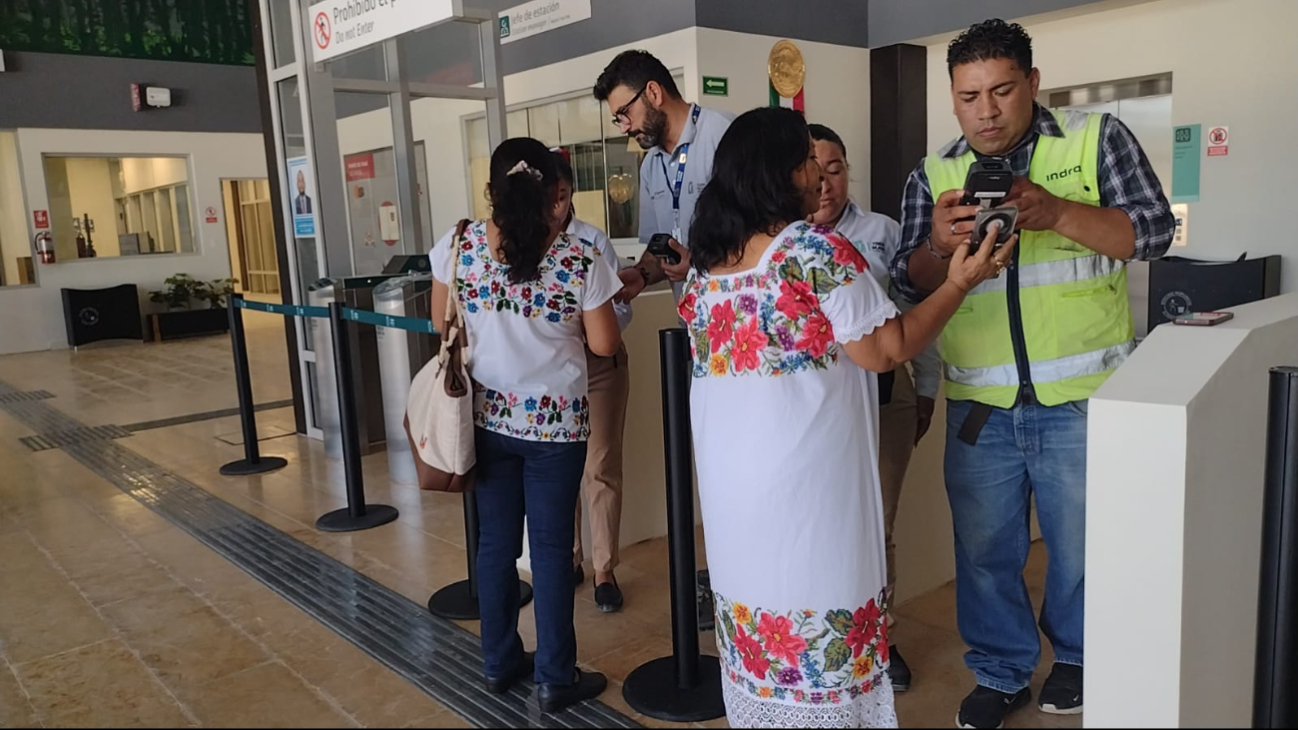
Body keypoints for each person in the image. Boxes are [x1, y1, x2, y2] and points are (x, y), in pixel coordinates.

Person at [681, 106, 1015, 729]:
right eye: (808, 159)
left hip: (735, 490)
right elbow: (887, 347)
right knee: (821, 612)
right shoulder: (811, 250)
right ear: (783, 172)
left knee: (760, 619)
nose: (818, 173)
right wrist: (961, 281)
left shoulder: (710, 263)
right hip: (809, 487)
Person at [890, 19, 1175, 730]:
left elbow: (1154, 231)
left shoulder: (1093, 138)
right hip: (981, 405)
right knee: (985, 552)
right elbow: (907, 279)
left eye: (1001, 90)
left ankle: (1077, 657)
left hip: (1084, 398)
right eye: (967, 96)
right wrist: (938, 241)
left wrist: (1055, 211)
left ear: (1033, 84)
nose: (985, 111)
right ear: (951, 99)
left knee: (1081, 549)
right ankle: (1000, 671)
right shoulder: (933, 175)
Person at [428, 137, 624, 713]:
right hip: (556, 431)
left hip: (486, 420)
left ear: (490, 191)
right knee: (551, 549)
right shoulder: (578, 258)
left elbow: (438, 319)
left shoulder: (460, 245)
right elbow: (604, 343)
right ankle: (555, 677)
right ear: (552, 195)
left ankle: (497, 662)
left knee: (494, 545)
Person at [807, 123, 943, 694]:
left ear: (846, 170)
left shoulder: (884, 233)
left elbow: (915, 314)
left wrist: (928, 385)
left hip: (887, 397)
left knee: (877, 523)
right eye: (813, 172)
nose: (825, 183)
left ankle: (878, 639)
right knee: (824, 525)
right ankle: (823, 637)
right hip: (819, 411)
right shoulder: (784, 243)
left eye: (835, 168)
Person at [550, 150, 634, 613]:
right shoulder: (531, 242)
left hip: (600, 368)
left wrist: (591, 323)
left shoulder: (593, 242)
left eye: (563, 197)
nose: (556, 207)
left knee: (598, 465)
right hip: (553, 371)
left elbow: (622, 309)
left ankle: (605, 568)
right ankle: (571, 558)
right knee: (560, 466)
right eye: (550, 197)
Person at [593, 49, 734, 303]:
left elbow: (759, 230)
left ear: (654, 93)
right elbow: (662, 250)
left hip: (739, 317)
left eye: (625, 113)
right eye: (618, 120)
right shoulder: (650, 166)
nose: (624, 127)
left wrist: (699, 265)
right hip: (691, 325)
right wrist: (641, 274)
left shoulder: (724, 136)